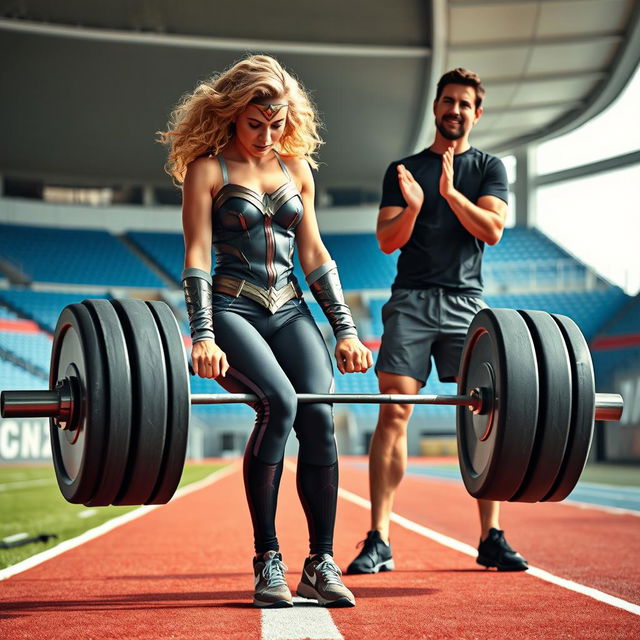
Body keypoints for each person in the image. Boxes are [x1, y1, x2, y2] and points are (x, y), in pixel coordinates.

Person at [159, 55, 373, 608]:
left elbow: (315, 253)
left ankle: (320, 563)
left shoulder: (297, 167)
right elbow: (198, 256)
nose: (266, 134)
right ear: (232, 114)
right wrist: (202, 336)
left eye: (276, 123)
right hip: (232, 310)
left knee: (320, 415)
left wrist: (346, 330)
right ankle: (267, 559)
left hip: (291, 309)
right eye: (256, 123)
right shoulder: (208, 171)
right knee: (278, 403)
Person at [346, 68, 528, 575]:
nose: (455, 109)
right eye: (447, 100)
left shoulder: (490, 168)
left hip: (467, 303)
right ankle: (379, 538)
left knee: (486, 414)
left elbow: (492, 230)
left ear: (477, 112)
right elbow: (387, 240)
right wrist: (418, 205)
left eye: (464, 103)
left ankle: (491, 536)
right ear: (435, 107)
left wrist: (451, 196)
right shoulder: (402, 169)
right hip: (410, 302)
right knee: (394, 411)